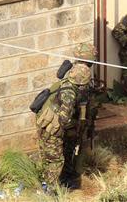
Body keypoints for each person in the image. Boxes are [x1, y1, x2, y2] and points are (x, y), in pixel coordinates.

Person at [35, 60, 92, 190]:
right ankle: (50, 190)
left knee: (62, 153)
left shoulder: (67, 81)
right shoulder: (69, 94)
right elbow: (64, 120)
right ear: (81, 82)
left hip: (51, 124)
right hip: (51, 129)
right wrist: (77, 123)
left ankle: (60, 180)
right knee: (55, 160)